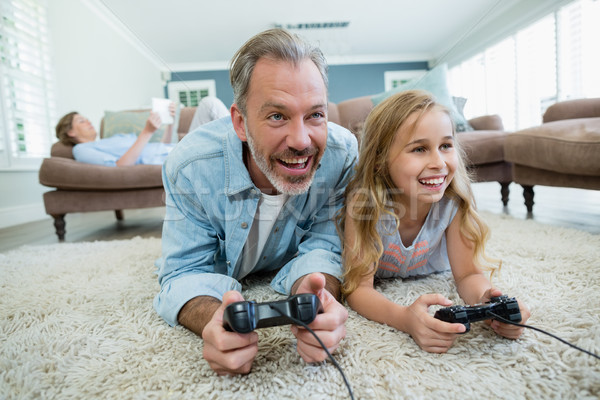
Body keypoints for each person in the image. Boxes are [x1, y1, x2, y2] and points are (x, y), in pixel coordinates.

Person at [153, 28, 358, 375]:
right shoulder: (189, 167)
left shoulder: (342, 155)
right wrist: (211, 319)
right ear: (241, 123)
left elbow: (326, 244)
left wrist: (319, 290)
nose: (301, 140)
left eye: (315, 114)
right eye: (277, 116)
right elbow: (183, 272)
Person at [338, 89, 530, 353]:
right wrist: (404, 318)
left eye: (446, 146)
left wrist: (487, 300)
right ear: (381, 162)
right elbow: (358, 290)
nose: (439, 163)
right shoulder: (365, 205)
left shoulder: (453, 202)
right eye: (419, 149)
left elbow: (468, 274)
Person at [54, 102, 176, 167]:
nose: (88, 121)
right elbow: (120, 167)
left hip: (172, 149)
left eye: (87, 119)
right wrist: (147, 131)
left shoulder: (108, 141)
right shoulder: (81, 149)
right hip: (165, 159)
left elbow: (162, 145)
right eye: (82, 121)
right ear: (71, 132)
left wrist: (170, 121)